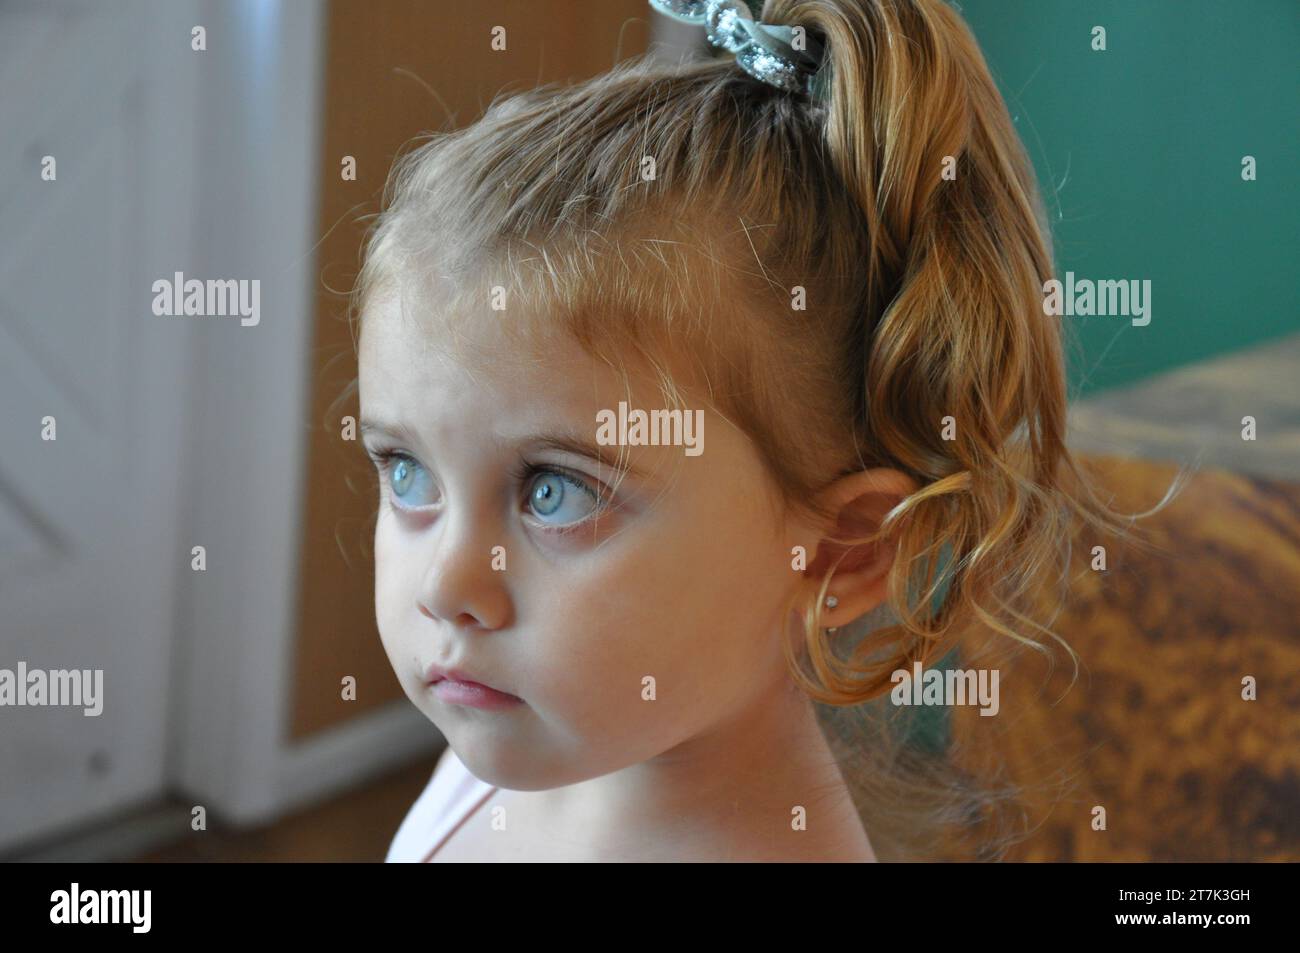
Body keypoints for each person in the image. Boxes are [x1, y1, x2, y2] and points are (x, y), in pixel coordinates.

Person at [358, 0, 1141, 862]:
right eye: (407, 473)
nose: (446, 584)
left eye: (555, 491)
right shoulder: (508, 755)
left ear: (844, 551)